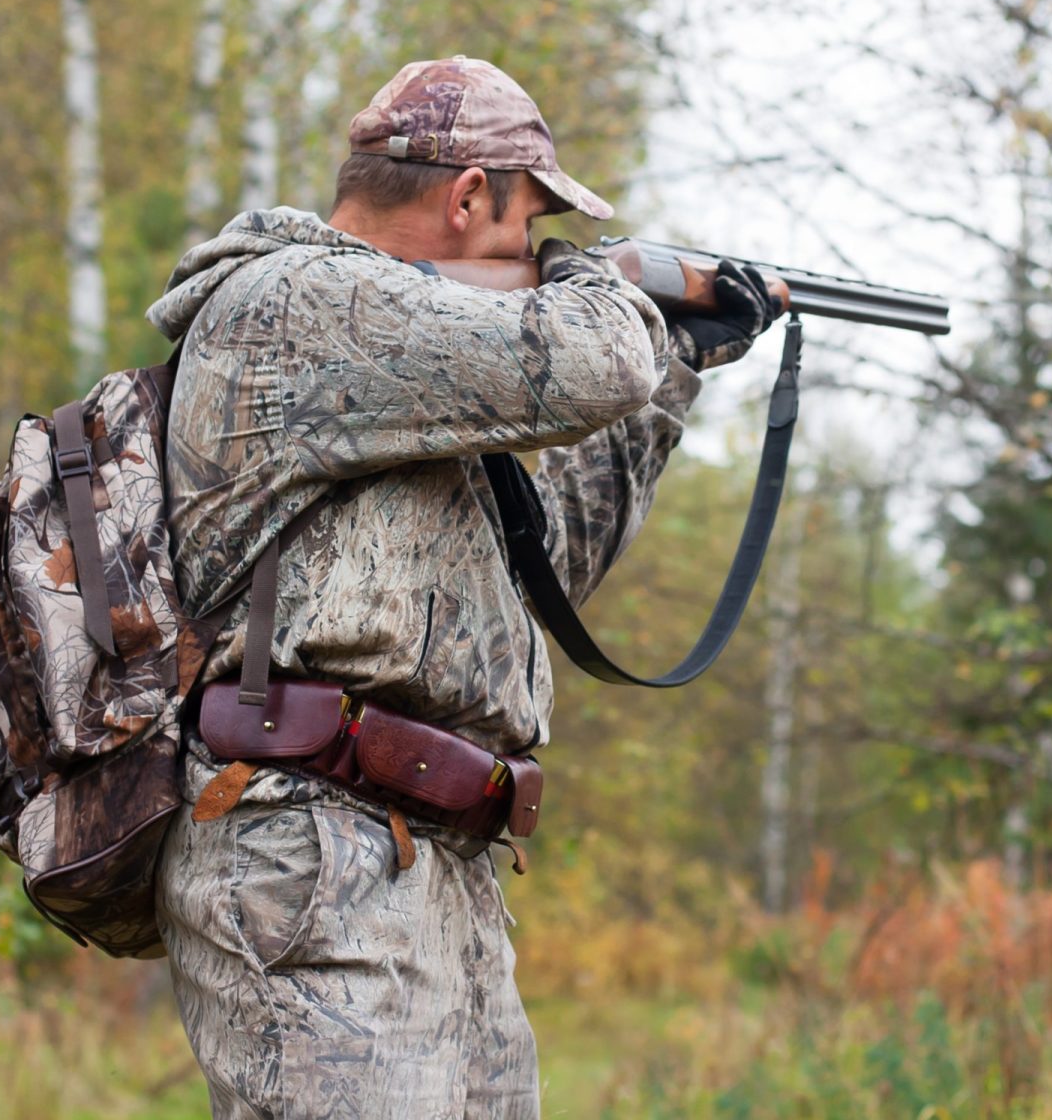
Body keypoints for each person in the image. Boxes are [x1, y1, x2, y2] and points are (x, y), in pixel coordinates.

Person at [145, 55, 780, 1119]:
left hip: (435, 860)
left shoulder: (421, 374)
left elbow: (552, 565)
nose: (538, 255)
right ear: (467, 194)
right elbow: (588, 362)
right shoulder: (301, 300)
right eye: (528, 230)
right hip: (313, 854)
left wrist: (671, 372)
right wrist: (611, 282)